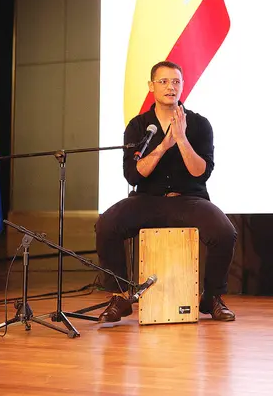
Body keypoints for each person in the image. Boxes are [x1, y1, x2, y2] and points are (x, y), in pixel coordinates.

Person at [94, 61, 237, 323]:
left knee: (224, 232)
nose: (170, 87)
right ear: (151, 86)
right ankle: (119, 295)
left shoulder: (199, 124)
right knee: (107, 224)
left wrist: (182, 140)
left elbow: (200, 172)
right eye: (163, 82)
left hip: (189, 200)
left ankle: (212, 297)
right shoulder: (139, 126)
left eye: (176, 82)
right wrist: (162, 146)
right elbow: (134, 175)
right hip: (148, 200)